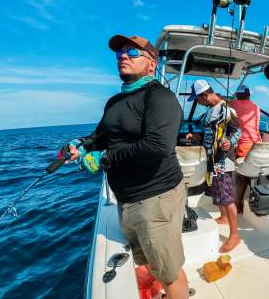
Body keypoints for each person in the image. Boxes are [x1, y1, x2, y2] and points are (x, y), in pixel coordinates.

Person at [63, 35, 189, 299]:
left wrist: (104, 159)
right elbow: (102, 136)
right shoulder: (114, 102)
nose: (123, 56)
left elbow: (158, 147)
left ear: (151, 63)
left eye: (132, 52)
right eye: (120, 53)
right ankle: (157, 292)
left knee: (170, 272)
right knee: (146, 259)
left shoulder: (160, 98)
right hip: (126, 200)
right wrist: (83, 144)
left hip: (156, 199)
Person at [185, 80, 242, 253]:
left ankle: (234, 236)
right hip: (212, 160)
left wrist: (229, 142)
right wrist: (195, 137)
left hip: (223, 162)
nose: (198, 103)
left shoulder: (227, 110)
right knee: (216, 191)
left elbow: (238, 131)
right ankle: (224, 217)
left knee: (226, 196)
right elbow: (207, 133)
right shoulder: (210, 111)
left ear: (204, 95)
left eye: (198, 99)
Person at [227, 84, 262, 213]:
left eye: (237, 95)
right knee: (250, 175)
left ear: (239, 95)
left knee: (241, 177)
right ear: (249, 94)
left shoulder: (236, 104)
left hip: (245, 148)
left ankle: (238, 205)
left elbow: (222, 102)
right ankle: (251, 202)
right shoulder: (256, 107)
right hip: (258, 146)